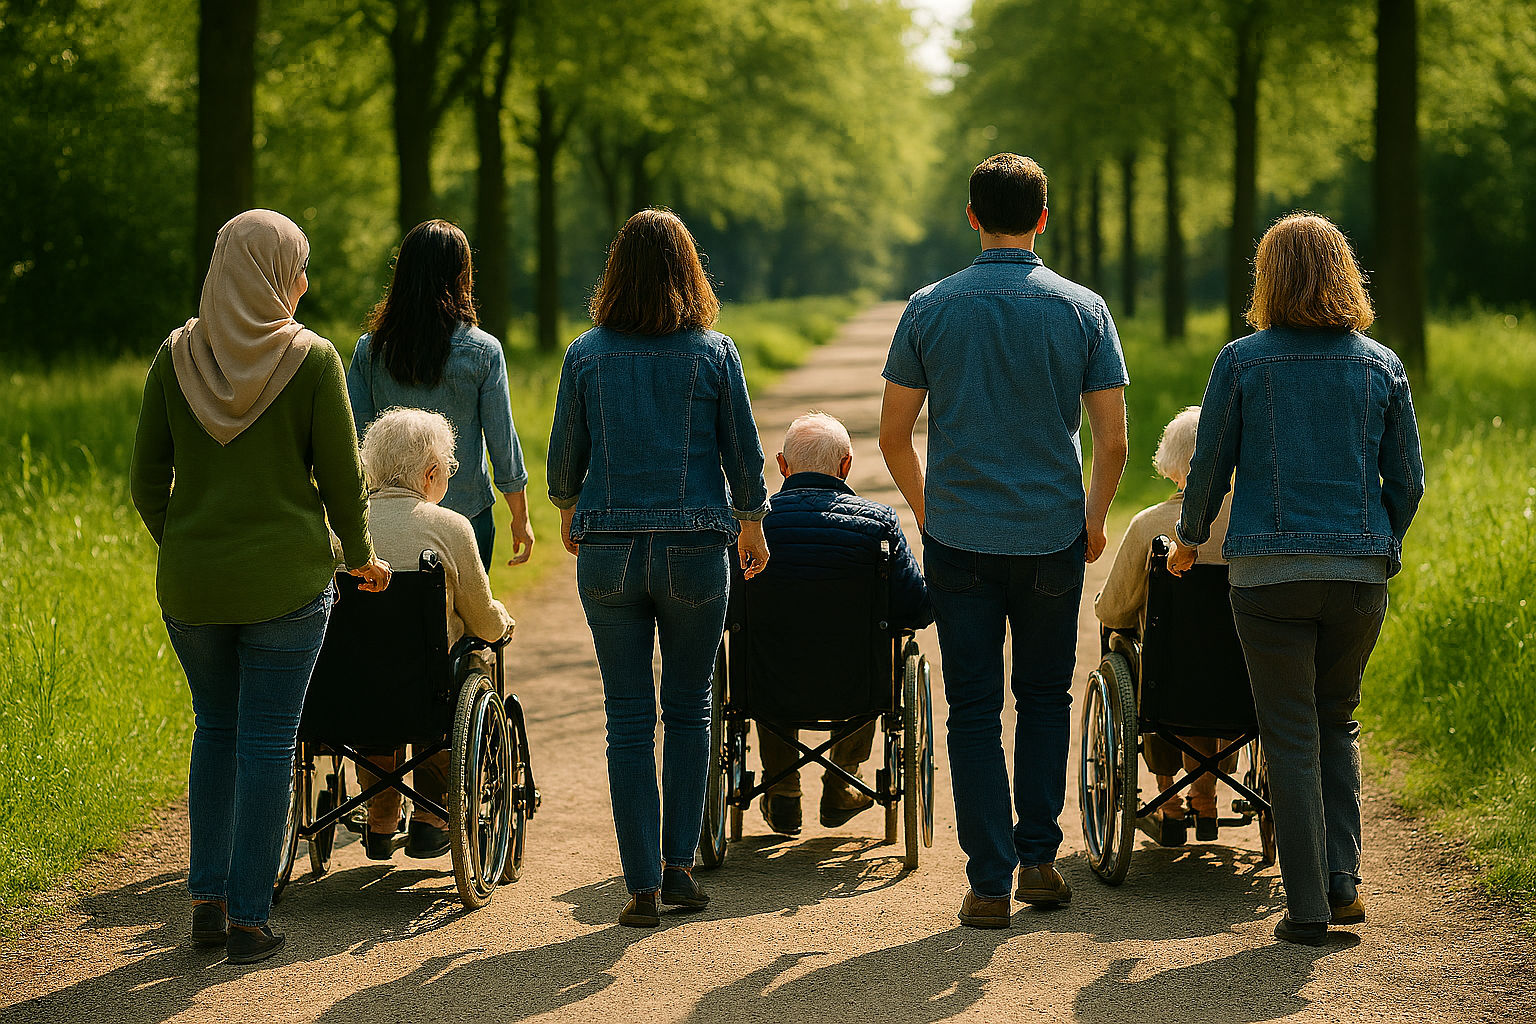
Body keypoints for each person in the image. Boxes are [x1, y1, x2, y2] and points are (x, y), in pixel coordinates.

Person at [130, 209, 391, 966]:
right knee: (270, 741)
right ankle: (250, 918)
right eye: (297, 267)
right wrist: (362, 556)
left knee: (215, 729)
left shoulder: (173, 355)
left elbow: (146, 482)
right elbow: (344, 484)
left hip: (193, 588)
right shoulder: (311, 360)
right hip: (287, 586)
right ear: (275, 276)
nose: (303, 281)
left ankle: (206, 904)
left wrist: (187, 545)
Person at [880, 153, 1129, 929]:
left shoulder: (929, 307)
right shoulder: (1084, 309)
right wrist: (1093, 517)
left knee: (973, 708)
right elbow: (1113, 440)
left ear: (972, 216)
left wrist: (930, 513)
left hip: (960, 538)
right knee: (1046, 697)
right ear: (1042, 218)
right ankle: (1040, 860)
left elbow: (893, 435)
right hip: (1051, 534)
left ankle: (988, 884)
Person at [1171, 212, 1425, 946]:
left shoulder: (1242, 361)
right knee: (1336, 719)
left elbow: (1209, 466)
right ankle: (1343, 885)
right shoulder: (1381, 365)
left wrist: (1190, 539)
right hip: (1358, 576)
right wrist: (1380, 544)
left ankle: (1307, 908)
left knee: (1288, 732)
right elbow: (1408, 481)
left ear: (1267, 280)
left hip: (1269, 578)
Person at [547, 208, 772, 928]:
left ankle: (639, 884)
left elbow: (565, 458)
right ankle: (678, 867)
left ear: (615, 274)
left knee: (626, 717)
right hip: (695, 549)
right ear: (690, 273)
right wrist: (751, 523)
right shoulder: (714, 352)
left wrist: (568, 508)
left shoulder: (585, 354)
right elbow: (743, 451)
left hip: (609, 548)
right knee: (689, 708)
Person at [753, 412, 933, 836]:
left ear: (782, 465)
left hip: (767, 685)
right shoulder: (878, 524)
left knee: (763, 645)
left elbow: (725, 613)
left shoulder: (753, 526)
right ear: (846, 465)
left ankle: (782, 788)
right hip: (858, 687)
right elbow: (916, 609)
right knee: (879, 647)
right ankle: (842, 779)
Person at [352, 408, 515, 861]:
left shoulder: (342, 529)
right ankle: (431, 817)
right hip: (427, 690)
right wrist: (504, 622)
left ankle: (381, 818)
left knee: (375, 674)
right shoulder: (450, 527)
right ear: (429, 473)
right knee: (463, 667)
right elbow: (483, 622)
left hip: (353, 691)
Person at [346, 219, 534, 572]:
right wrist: (520, 517)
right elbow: (502, 442)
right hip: (467, 516)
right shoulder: (484, 351)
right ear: (462, 275)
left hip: (386, 519)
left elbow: (356, 438)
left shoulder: (370, 350)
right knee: (469, 605)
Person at [1095, 406, 1236, 844]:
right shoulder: (1254, 527)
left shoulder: (1149, 525)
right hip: (1239, 683)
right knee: (1215, 667)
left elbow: (1114, 611)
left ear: (1172, 464)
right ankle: (1206, 800)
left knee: (1139, 655)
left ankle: (1169, 803)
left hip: (1168, 683)